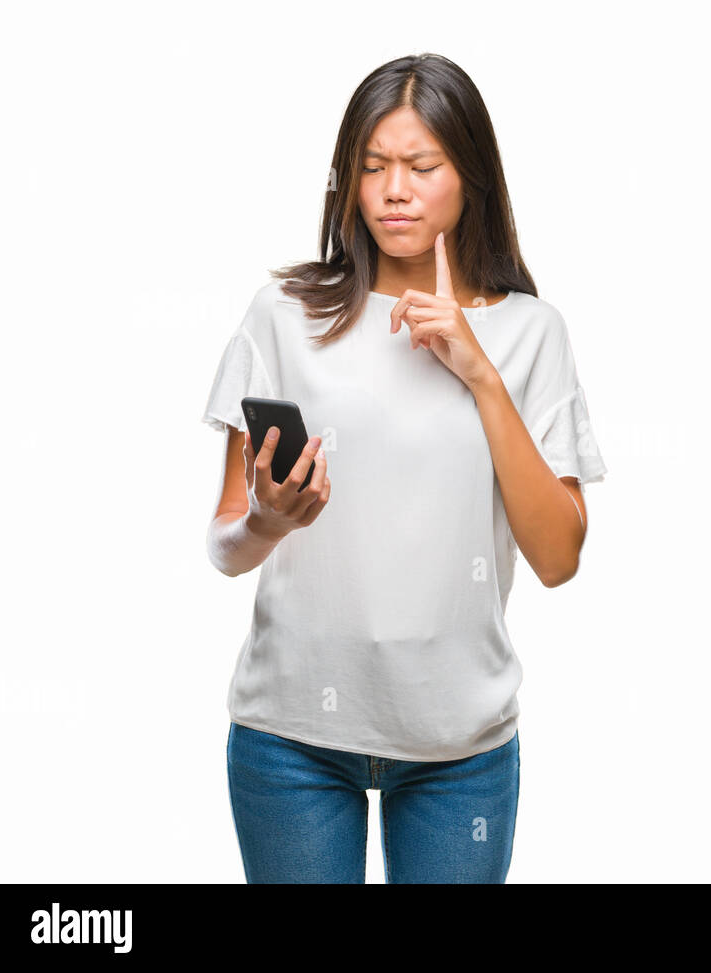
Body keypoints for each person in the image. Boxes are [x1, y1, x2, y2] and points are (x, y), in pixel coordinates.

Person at [201, 53, 608, 883]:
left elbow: (560, 559)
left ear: (471, 177)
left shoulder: (532, 334)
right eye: (373, 166)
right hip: (291, 740)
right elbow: (223, 546)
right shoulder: (282, 316)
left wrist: (479, 372)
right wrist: (268, 521)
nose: (395, 189)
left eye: (422, 167)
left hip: (461, 749)